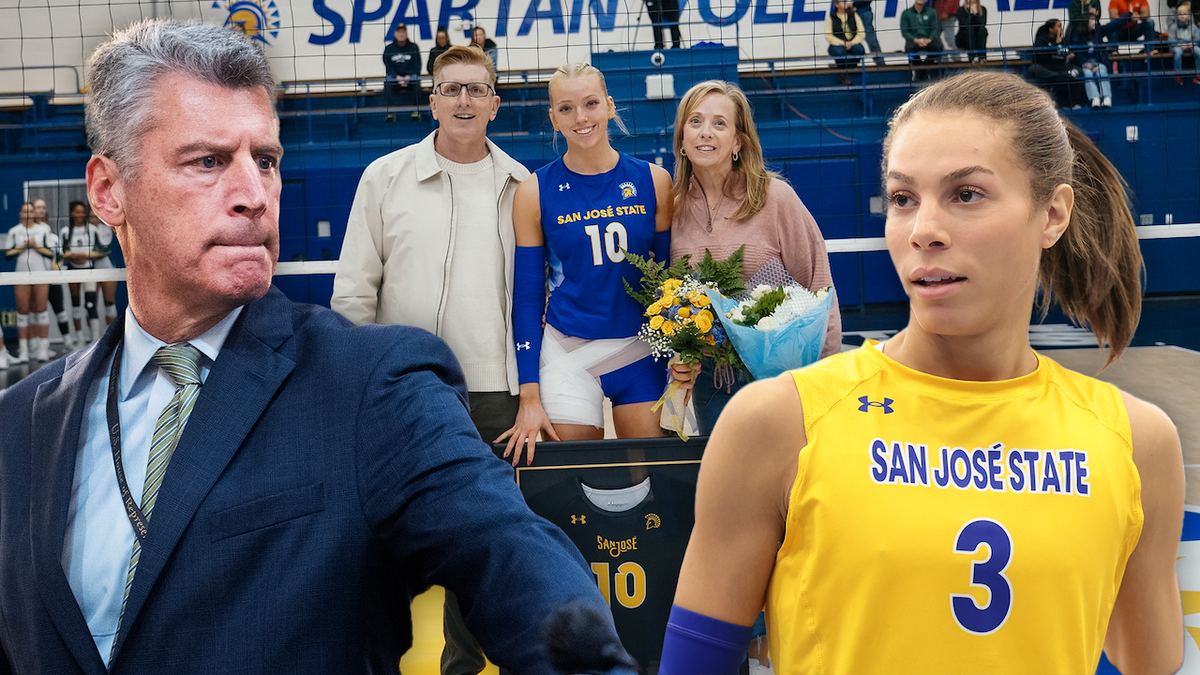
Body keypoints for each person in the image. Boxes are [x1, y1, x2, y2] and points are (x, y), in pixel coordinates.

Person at [0, 19, 637, 675]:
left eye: (267, 161)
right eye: (208, 161)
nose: (254, 195)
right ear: (108, 191)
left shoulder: (374, 386)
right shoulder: (19, 427)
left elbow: (511, 551)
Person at [659, 70, 1183, 675]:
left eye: (966, 195)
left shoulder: (1135, 445)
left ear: (1053, 214)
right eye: (903, 199)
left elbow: (1151, 662)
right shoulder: (780, 425)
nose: (922, 231)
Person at [332, 44, 529, 675]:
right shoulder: (384, 177)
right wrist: (350, 384)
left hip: (494, 394)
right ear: (432, 99)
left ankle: (462, 666)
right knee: (384, 540)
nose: (464, 101)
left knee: (479, 542)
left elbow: (540, 298)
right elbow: (354, 290)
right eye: (452, 89)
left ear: (495, 104)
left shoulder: (523, 187)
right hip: (403, 391)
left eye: (477, 90)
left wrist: (533, 391)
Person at [498, 63, 673, 465]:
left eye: (591, 103)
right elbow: (526, 299)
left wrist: (676, 357)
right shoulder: (533, 191)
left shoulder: (655, 181)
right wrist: (529, 394)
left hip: (640, 349)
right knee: (577, 488)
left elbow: (669, 284)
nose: (581, 118)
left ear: (609, 106)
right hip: (567, 351)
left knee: (651, 484)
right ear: (553, 118)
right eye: (566, 108)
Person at [667, 80, 840, 437]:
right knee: (730, 488)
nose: (706, 133)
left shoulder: (776, 198)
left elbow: (819, 288)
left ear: (738, 142)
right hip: (711, 383)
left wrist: (823, 378)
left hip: (784, 380)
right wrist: (679, 354)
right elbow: (666, 299)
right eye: (695, 121)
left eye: (720, 123)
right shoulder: (671, 209)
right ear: (682, 139)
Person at [61, 200, 118, 349]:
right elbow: (61, 252)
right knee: (75, 304)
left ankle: (95, 340)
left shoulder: (92, 230)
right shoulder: (66, 231)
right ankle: (80, 339)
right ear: (71, 213)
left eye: (82, 212)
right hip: (73, 270)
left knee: (90, 303)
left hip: (89, 269)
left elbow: (103, 250)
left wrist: (87, 254)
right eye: (76, 212)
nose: (79, 215)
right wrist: (70, 255)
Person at [5, 201, 56, 363]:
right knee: (23, 309)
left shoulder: (43, 230)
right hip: (21, 274)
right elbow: (8, 254)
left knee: (41, 309)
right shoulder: (14, 232)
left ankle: (42, 349)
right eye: (24, 211)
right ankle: (24, 350)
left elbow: (50, 253)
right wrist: (24, 246)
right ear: (20, 213)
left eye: (30, 211)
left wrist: (36, 246)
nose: (27, 214)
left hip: (40, 273)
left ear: (34, 213)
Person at [31, 197, 79, 352]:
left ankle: (68, 342)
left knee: (61, 312)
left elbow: (59, 256)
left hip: (52, 280)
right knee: (36, 313)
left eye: (44, 210)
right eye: (38, 208)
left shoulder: (53, 238)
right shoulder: (27, 234)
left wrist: (56, 267)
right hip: (35, 278)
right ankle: (37, 347)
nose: (42, 213)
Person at [1030, 19, 1086, 109]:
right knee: (1034, 69)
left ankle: (1074, 103)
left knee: (1079, 71)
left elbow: (1066, 54)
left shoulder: (1063, 41)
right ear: (1051, 29)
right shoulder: (1041, 40)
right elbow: (1039, 57)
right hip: (1046, 66)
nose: (1061, 29)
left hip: (1060, 67)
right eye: (1058, 26)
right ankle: (1061, 76)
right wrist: (1055, 44)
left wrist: (1069, 56)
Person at [1070, 17, 1115, 106]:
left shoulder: (1097, 33)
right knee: (1087, 74)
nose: (1095, 22)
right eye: (1092, 20)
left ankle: (1106, 97)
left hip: (1098, 63)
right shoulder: (1077, 37)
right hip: (1084, 64)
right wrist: (1084, 64)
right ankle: (1095, 98)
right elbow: (1077, 53)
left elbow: (1113, 25)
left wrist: (1127, 15)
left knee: (1102, 71)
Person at [826, 0, 868, 85]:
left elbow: (861, 33)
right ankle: (843, 72)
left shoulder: (854, 15)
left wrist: (852, 42)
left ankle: (846, 71)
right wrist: (842, 43)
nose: (846, 3)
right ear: (836, 5)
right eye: (843, 1)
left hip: (852, 42)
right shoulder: (831, 18)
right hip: (838, 44)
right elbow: (829, 36)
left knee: (860, 49)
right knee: (839, 52)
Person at [384, 23, 422, 115]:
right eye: (399, 32)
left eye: (403, 32)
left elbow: (417, 65)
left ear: (407, 33)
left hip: (410, 77)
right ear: (395, 34)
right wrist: (398, 77)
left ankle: (416, 110)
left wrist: (408, 77)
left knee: (416, 81)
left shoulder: (413, 47)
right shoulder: (389, 49)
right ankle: (390, 112)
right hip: (395, 78)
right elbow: (388, 66)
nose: (401, 34)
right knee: (387, 83)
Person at [900, 0, 943, 79]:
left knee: (938, 47)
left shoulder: (932, 12)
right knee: (910, 48)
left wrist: (929, 39)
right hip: (914, 40)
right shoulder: (906, 13)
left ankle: (924, 68)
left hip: (928, 40)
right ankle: (921, 71)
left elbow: (936, 29)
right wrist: (916, 40)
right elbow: (905, 32)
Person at [1168, 2, 1199, 83]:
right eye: (1180, 14)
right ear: (1177, 15)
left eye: (1184, 14)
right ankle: (1178, 75)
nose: (1182, 16)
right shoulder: (1173, 27)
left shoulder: (1193, 26)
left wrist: (1192, 44)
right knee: (1178, 52)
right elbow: (1171, 41)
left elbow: (1197, 38)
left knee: (1198, 51)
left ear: (1189, 15)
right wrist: (1180, 45)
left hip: (1191, 45)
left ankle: (1198, 75)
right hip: (1177, 46)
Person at [852, 0, 889, 65]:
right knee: (849, 39)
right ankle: (847, 64)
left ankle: (880, 63)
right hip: (849, 13)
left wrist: (853, 4)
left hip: (864, 12)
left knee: (871, 40)